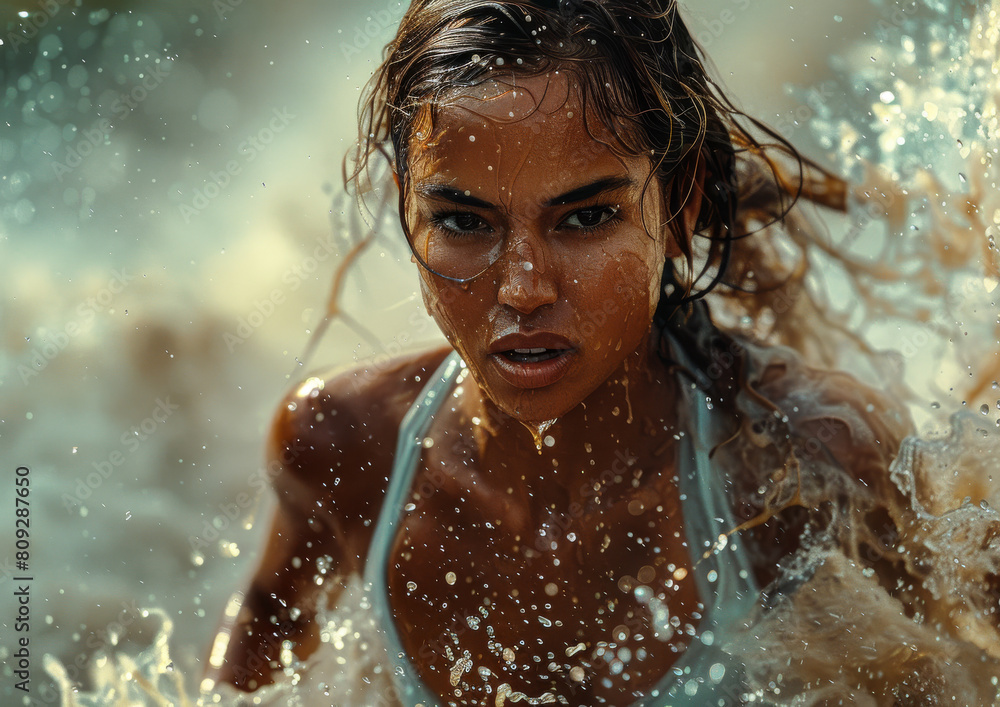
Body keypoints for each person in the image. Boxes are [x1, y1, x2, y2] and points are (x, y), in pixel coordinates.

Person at [204, 0, 1000, 704]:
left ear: (680, 208)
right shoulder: (344, 449)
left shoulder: (801, 471)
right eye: (464, 220)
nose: (521, 287)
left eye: (584, 219)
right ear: (408, 214)